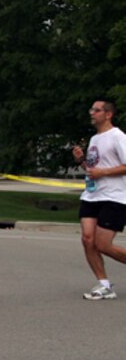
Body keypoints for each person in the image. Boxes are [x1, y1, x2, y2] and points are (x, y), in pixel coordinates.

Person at [72, 98, 126, 301]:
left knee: (103, 244)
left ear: (108, 114)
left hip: (114, 197)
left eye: (96, 110)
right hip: (92, 195)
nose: (91, 113)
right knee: (87, 239)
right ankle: (104, 284)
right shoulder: (94, 139)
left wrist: (104, 172)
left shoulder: (118, 137)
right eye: (91, 109)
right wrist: (81, 161)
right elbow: (92, 170)